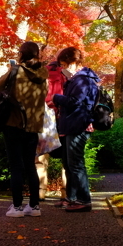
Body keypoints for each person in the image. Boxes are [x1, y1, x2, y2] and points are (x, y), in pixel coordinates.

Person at [0, 41, 48, 217]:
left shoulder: (16, 71)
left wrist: (11, 70)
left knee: (16, 166)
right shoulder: (43, 75)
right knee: (30, 166)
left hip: (14, 124)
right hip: (33, 126)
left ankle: (17, 207)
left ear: (21, 54)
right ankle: (34, 207)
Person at [53, 50, 99, 213]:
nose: (63, 68)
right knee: (68, 163)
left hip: (78, 124)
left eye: (64, 65)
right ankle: (71, 198)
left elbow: (75, 102)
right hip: (71, 123)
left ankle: (84, 200)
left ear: (72, 62)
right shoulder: (78, 79)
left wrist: (56, 98)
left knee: (76, 164)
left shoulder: (82, 79)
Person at [38, 47, 78, 206]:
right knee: (66, 159)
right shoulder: (67, 75)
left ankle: (40, 191)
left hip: (44, 117)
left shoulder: (42, 73)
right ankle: (65, 192)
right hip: (63, 118)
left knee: (41, 157)